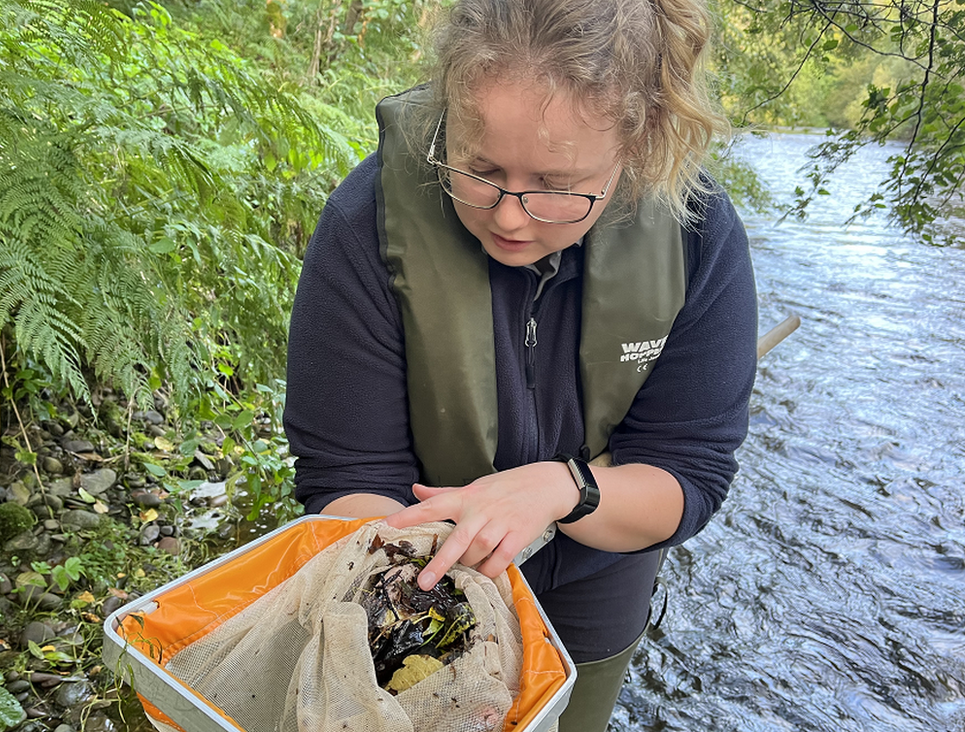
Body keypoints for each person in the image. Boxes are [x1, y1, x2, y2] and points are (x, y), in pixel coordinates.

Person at [284, 0, 757, 728]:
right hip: (418, 577)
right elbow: (347, 479)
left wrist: (562, 489)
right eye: (480, 169)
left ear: (637, 146)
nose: (510, 215)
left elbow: (688, 472)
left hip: (599, 584)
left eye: (558, 186)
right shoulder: (364, 226)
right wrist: (419, 605)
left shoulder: (698, 236)